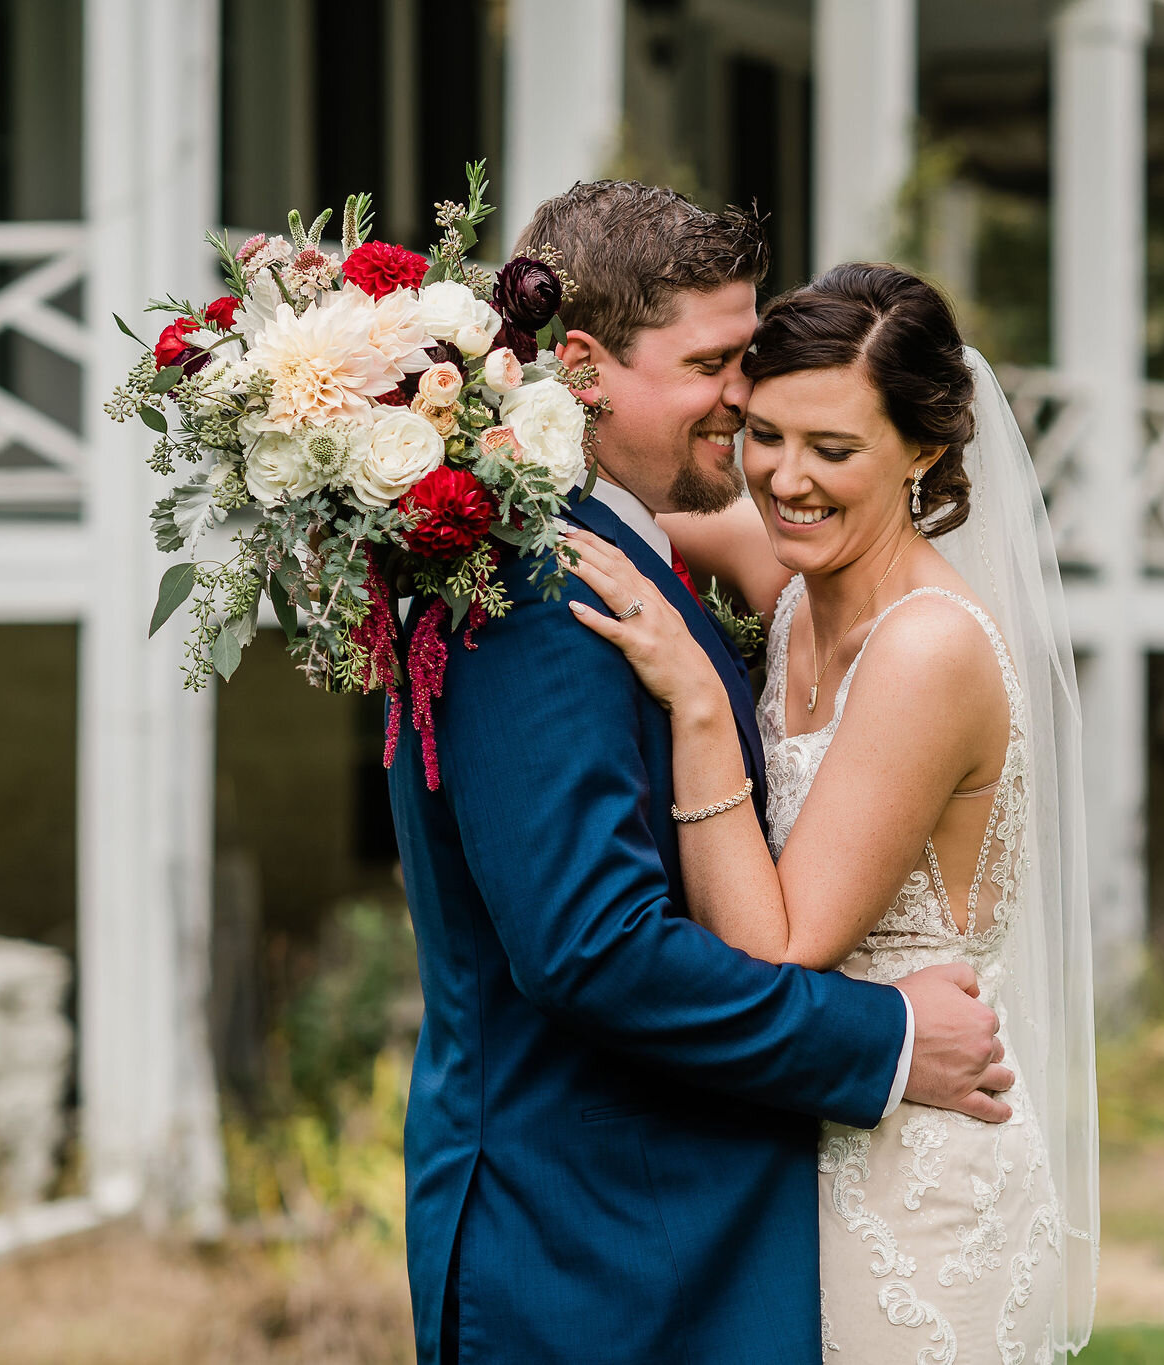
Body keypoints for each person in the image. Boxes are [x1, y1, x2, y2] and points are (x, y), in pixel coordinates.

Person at [386, 184, 1017, 1365]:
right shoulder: (534, 586)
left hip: (690, 1224)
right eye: (715, 364)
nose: (747, 402)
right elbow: (596, 950)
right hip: (592, 1244)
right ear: (577, 366)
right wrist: (880, 1039)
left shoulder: (626, 537)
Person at [568, 263, 1099, 1361]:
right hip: (800, 1143)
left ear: (926, 453)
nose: (784, 480)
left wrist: (701, 703)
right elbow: (623, 497)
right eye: (764, 434)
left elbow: (777, 947)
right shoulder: (800, 581)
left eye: (833, 450)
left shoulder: (925, 649)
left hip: (919, 1181)